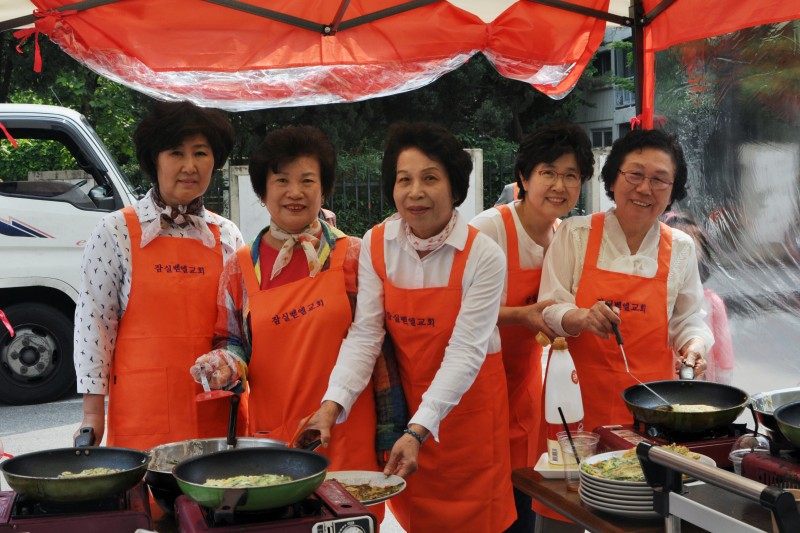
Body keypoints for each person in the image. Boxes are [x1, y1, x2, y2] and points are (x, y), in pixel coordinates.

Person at [296, 122, 516, 532]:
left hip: (468, 419)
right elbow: (365, 335)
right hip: (409, 417)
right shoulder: (377, 244)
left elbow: (466, 350)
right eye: (404, 180)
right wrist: (331, 406)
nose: (415, 192)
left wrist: (420, 429)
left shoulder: (483, 254)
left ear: (454, 188)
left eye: (430, 178)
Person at [190, 125, 405, 520]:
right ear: (262, 192)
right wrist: (224, 365)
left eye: (308, 180)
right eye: (282, 180)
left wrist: (390, 435)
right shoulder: (239, 269)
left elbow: (380, 352)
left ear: (323, 191)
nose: (295, 192)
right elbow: (232, 342)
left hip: (352, 437)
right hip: (278, 445)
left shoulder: (354, 256)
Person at [73, 100, 247, 450]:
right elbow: (94, 324)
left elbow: (243, 330)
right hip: (142, 417)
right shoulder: (115, 232)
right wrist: (92, 416)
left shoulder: (227, 236)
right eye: (175, 153)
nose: (189, 166)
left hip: (215, 416)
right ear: (155, 160)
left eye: (201, 153)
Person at [538, 128, 714, 435]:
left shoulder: (682, 248)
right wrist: (582, 316)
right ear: (613, 179)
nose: (645, 189)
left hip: (653, 410)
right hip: (575, 403)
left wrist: (695, 345)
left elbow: (688, 319)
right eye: (634, 174)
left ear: (673, 190)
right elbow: (548, 310)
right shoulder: (575, 234)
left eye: (659, 179)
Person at [470, 122, 594, 533]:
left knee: (523, 496)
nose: (559, 185)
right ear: (524, 177)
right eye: (548, 172)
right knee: (485, 504)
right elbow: (455, 311)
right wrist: (521, 315)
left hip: (524, 387)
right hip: (476, 386)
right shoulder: (490, 230)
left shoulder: (565, 237)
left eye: (571, 175)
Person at [664, 211, 734, 384]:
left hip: (699, 390)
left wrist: (721, 391)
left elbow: (723, 356)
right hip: (659, 388)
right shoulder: (654, 298)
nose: (690, 247)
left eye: (695, 240)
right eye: (679, 241)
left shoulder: (712, 303)